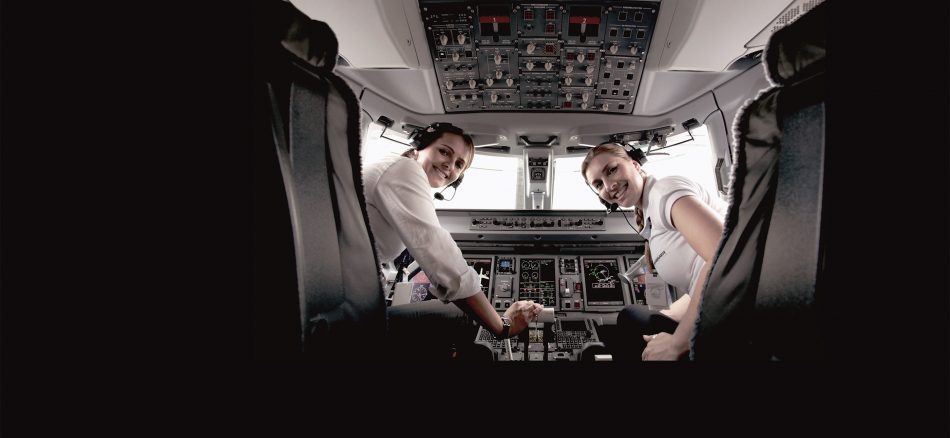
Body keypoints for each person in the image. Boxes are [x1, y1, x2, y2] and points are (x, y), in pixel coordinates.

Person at [362, 122, 543, 359]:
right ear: (420, 146)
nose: (450, 165)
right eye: (444, 151)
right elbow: (443, 258)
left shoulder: (397, 170)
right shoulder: (404, 170)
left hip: (354, 306)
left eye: (459, 164)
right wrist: (502, 326)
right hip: (354, 318)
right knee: (462, 316)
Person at [581, 142, 726, 360]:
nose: (609, 185)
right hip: (719, 304)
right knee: (635, 318)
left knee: (631, 320)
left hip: (736, 308)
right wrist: (666, 317)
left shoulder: (665, 192)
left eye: (612, 170)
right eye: (599, 184)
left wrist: (679, 341)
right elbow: (699, 282)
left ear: (635, 163)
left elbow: (724, 256)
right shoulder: (650, 209)